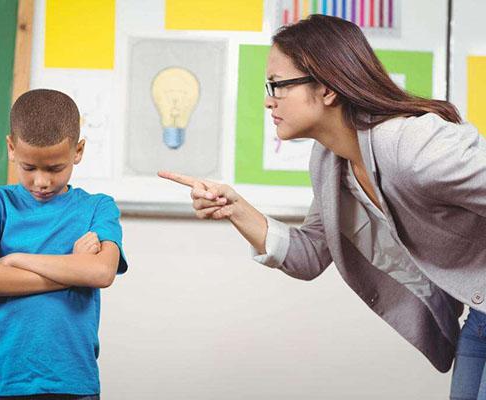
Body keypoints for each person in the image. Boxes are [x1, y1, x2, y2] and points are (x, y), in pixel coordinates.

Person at [159, 14, 486, 399]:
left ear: (328, 89)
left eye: (277, 85)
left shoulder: (411, 144)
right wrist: (234, 207)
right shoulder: (330, 163)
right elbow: (309, 254)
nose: (268, 100)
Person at [0, 89, 127, 399]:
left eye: (55, 169)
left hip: (72, 382)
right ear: (11, 148)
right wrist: (71, 269)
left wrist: (14, 260)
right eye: (29, 168)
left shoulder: (98, 207)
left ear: (78, 151)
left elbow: (100, 274)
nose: (41, 182)